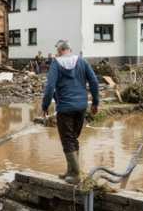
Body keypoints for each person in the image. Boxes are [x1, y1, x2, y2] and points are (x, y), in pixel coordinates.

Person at [41, 40, 100, 184]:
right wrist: (96, 102)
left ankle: (75, 174)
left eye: (57, 51)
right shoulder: (82, 62)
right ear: (69, 49)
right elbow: (94, 82)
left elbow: (49, 87)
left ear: (60, 50)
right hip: (81, 106)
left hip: (65, 108)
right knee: (73, 138)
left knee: (67, 140)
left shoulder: (56, 63)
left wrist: (45, 105)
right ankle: (71, 170)